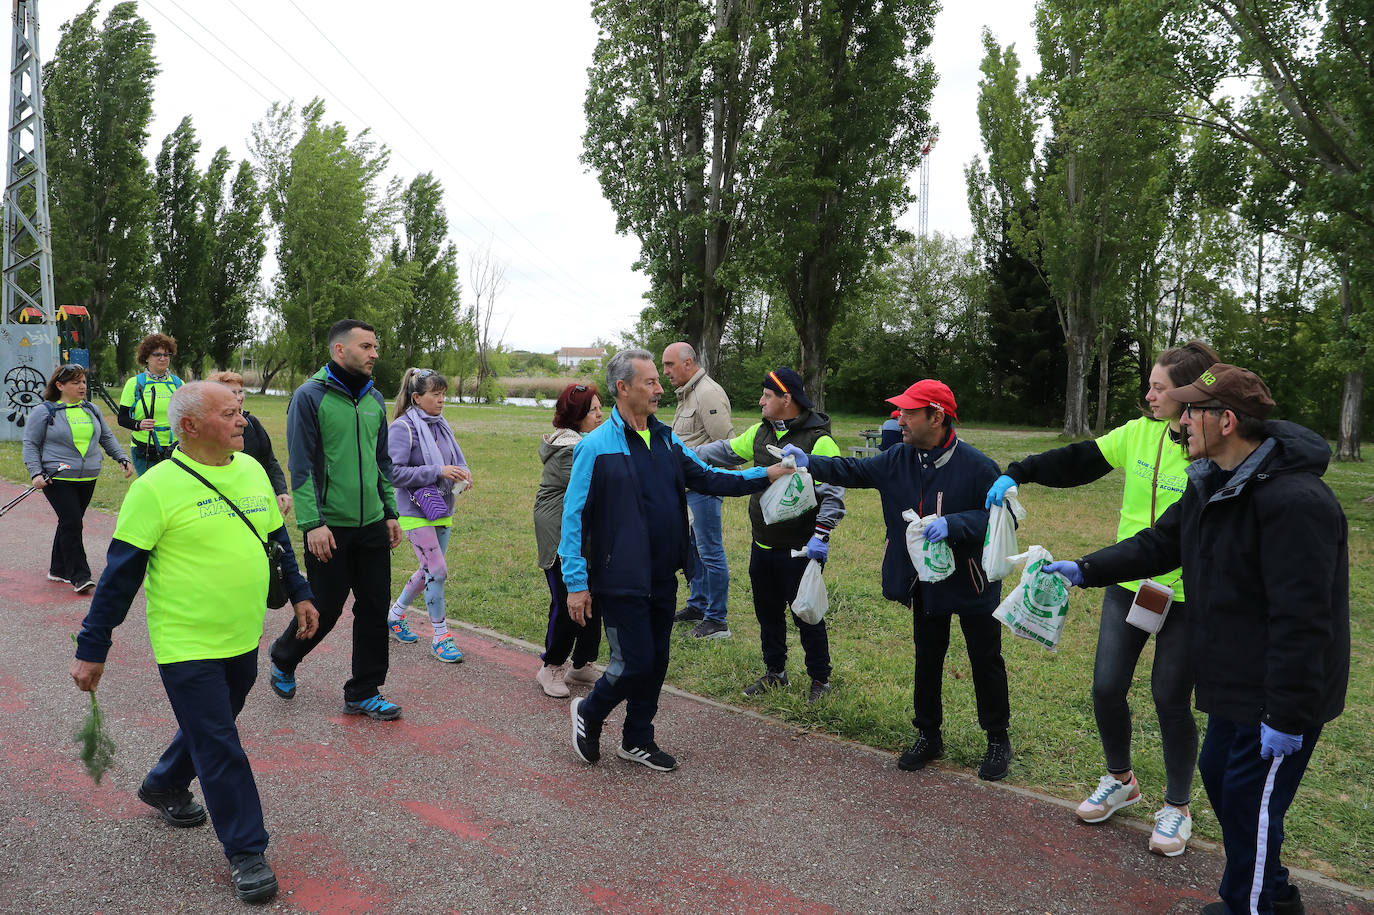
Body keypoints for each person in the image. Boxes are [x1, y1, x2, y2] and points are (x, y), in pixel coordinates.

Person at [1045, 364, 1349, 915]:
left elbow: (1304, 621)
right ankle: (1271, 895)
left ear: (1226, 421)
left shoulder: (1296, 502)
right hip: (1231, 681)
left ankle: (1248, 905)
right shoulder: (1210, 483)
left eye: (1191, 411)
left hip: (1277, 695)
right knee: (1221, 782)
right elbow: (1161, 543)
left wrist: (1284, 716)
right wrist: (1086, 569)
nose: (1180, 422)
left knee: (1253, 806)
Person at [69, 381, 319, 904]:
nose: (242, 421)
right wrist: (93, 647)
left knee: (213, 729)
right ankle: (246, 849)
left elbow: (276, 542)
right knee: (220, 743)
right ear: (189, 425)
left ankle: (162, 783)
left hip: (242, 636)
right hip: (185, 644)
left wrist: (300, 592)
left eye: (242, 412)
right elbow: (119, 577)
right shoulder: (155, 488)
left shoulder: (250, 469)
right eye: (229, 413)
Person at [984, 341, 1219, 857]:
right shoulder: (1138, 433)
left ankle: (1177, 807)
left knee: (1170, 699)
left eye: (1159, 387)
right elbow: (1081, 460)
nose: (1149, 395)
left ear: (1188, 393)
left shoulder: (1210, 445)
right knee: (1106, 687)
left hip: (1188, 595)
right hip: (1131, 583)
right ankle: (1121, 779)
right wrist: (1019, 470)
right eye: (1151, 385)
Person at [562, 350, 790, 771]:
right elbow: (573, 519)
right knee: (634, 661)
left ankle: (638, 739)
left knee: (658, 661)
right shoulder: (595, 448)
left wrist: (765, 475)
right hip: (618, 577)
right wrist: (576, 583)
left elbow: (709, 477)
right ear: (623, 388)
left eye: (658, 380)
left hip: (663, 575)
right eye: (650, 382)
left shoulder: (666, 439)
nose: (660, 389)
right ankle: (590, 712)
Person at [784, 379, 1013, 781]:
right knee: (927, 657)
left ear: (936, 416)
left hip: (973, 582)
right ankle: (928, 734)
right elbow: (852, 469)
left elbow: (1000, 519)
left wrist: (954, 523)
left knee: (985, 659)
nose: (899, 419)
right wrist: (807, 460)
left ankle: (997, 739)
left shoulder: (979, 467)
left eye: (909, 412)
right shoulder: (897, 459)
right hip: (924, 582)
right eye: (900, 411)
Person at [267, 319, 404, 720]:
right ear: (340, 351)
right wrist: (312, 523)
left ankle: (364, 690)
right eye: (366, 346)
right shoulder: (310, 397)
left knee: (375, 608)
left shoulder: (376, 399)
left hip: (373, 524)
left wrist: (390, 511)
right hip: (329, 526)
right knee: (325, 607)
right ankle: (284, 655)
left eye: (375, 346)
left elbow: (382, 462)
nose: (375, 353)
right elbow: (302, 465)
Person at [693, 368, 846, 703]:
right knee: (768, 613)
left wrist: (821, 536)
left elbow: (833, 494)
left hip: (802, 548)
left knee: (807, 613)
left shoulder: (819, 440)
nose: (761, 401)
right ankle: (775, 672)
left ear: (786, 399)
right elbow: (722, 451)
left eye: (767, 395)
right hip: (762, 544)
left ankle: (820, 679)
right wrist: (680, 454)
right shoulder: (761, 433)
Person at [385, 368, 474, 663]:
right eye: (435, 395)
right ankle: (441, 637)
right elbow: (393, 473)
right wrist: (437, 471)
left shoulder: (440, 424)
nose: (441, 400)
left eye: (443, 394)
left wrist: (463, 474)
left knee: (429, 569)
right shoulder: (402, 427)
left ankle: (395, 615)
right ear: (416, 397)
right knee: (437, 570)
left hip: (441, 506)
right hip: (413, 509)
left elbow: (454, 459)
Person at [22, 363, 132, 592]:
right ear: (60, 385)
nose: (82, 386)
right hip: (57, 476)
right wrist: (35, 473)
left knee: (68, 522)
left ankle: (58, 568)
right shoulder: (45, 411)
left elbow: (107, 437)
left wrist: (121, 458)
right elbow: (30, 444)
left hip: (87, 476)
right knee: (72, 521)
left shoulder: (91, 409)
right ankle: (79, 575)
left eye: (83, 382)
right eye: (75, 382)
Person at [533, 382, 605, 698]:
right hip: (558, 531)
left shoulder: (588, 442)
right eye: (594, 410)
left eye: (601, 407)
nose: (601, 414)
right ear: (577, 416)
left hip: (582, 528)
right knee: (568, 601)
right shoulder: (570, 449)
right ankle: (550, 667)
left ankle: (581, 663)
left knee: (595, 597)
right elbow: (598, 487)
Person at [661, 341, 735, 639]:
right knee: (694, 551)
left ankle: (717, 620)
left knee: (710, 551)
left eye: (669, 365)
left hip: (704, 487)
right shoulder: (688, 394)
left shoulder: (707, 393)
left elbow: (726, 445)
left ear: (688, 363)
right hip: (687, 488)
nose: (665, 371)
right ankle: (698, 604)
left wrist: (723, 483)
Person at [206, 371, 291, 517]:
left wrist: (281, 490)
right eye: (233, 393)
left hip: (252, 498)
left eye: (240, 392)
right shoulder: (207, 427)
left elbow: (269, 459)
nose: (239, 397)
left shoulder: (252, 423)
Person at [118, 333, 184, 475]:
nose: (163, 358)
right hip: (144, 449)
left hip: (175, 449)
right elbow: (122, 418)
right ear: (146, 357)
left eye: (167, 355)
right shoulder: (134, 384)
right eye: (157, 354)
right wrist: (139, 425)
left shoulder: (178, 384)